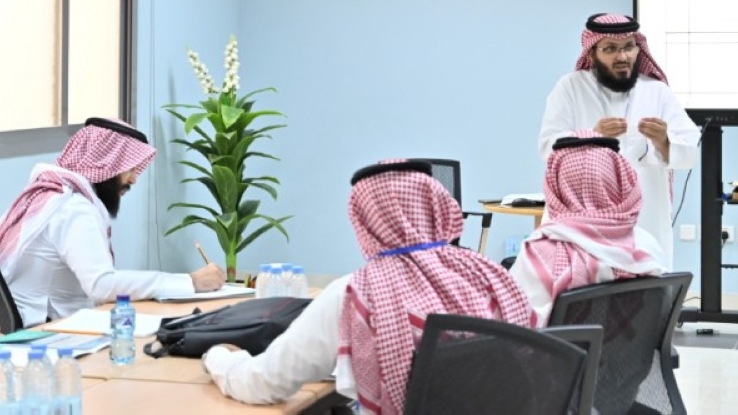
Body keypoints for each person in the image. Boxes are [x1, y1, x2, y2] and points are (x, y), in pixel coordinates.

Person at [203, 159, 535, 414]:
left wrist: (219, 358)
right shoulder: (492, 275)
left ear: (363, 220)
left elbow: (265, 383)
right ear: (440, 207)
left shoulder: (357, 293)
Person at [0, 117, 225, 327]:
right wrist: (190, 281)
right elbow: (101, 285)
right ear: (105, 164)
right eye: (129, 168)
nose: (133, 179)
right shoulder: (73, 208)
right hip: (43, 332)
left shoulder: (48, 194)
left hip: (26, 324)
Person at [539, 13, 701, 270]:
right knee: (583, 284)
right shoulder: (570, 87)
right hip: (583, 218)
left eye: (628, 47)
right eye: (610, 49)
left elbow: (689, 150)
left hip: (644, 219)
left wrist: (663, 141)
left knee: (645, 287)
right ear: (592, 53)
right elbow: (548, 146)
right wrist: (592, 136)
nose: (622, 56)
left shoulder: (657, 91)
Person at [510, 130, 667, 321]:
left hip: (563, 343)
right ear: (619, 181)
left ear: (555, 187)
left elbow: (513, 327)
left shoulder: (539, 254)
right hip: (631, 341)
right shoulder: (646, 246)